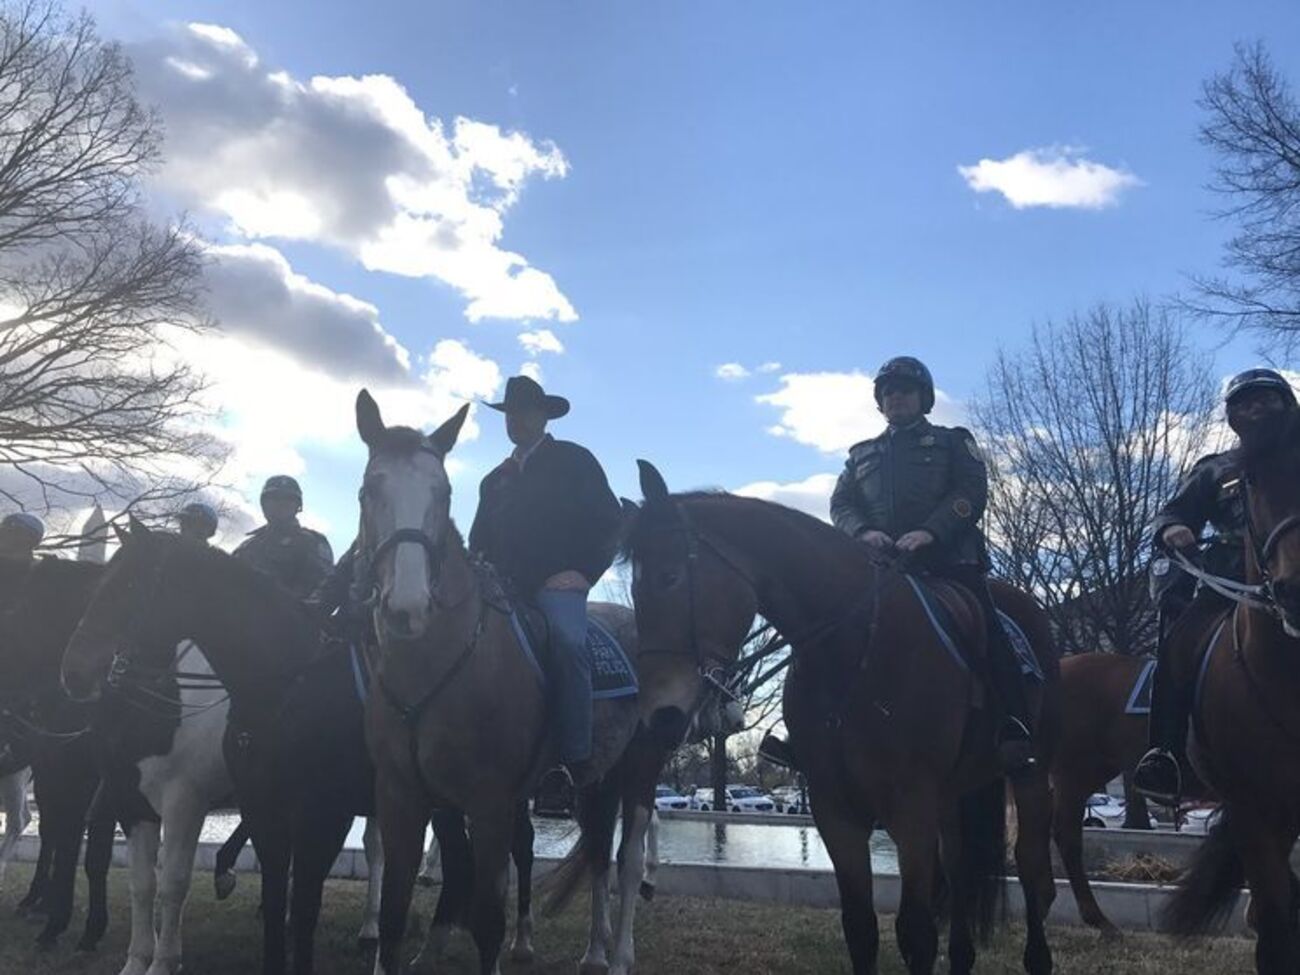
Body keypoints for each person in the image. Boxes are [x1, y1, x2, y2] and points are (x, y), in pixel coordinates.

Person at [832, 355, 1035, 775]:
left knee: (987, 626)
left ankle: (1014, 723)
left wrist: (929, 532)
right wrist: (862, 531)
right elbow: (841, 503)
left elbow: (971, 493)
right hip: (881, 567)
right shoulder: (860, 455)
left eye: (905, 390)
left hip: (947, 562)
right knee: (830, 628)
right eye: (888, 392)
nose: (896, 397)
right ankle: (818, 730)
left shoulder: (951, 442)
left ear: (923, 398)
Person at [1133, 367, 1298, 804]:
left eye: (1266, 398)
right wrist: (1172, 530)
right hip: (1228, 586)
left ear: (1287, 405)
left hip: (1296, 575)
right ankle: (1166, 753)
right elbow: (1172, 512)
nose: (1255, 408)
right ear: (1233, 417)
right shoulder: (1216, 469)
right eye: (1245, 402)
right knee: (1178, 641)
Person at [468, 375, 622, 788]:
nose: (516, 420)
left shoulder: (574, 461)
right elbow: (476, 541)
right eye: (510, 413)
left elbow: (610, 522)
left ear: (543, 416)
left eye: (524, 412)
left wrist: (584, 573)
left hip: (554, 587)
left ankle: (571, 762)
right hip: (497, 588)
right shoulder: (493, 480)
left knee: (568, 646)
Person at [233, 475, 334, 598]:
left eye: (288, 499)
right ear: (263, 504)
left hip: (293, 614)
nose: (281, 503)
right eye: (274, 498)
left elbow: (320, 593)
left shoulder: (313, 542)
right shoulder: (247, 548)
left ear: (298, 506)